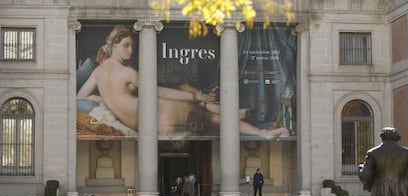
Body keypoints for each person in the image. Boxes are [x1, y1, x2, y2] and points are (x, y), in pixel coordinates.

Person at [77, 25, 291, 139]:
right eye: (126, 45)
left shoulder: (98, 71)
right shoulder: (126, 71)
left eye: (132, 46)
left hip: (143, 118)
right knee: (210, 114)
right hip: (160, 112)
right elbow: (158, 91)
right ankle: (262, 131)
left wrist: (102, 97)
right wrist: (196, 95)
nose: (131, 50)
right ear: (114, 45)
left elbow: (80, 97)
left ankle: (237, 116)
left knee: (209, 113)